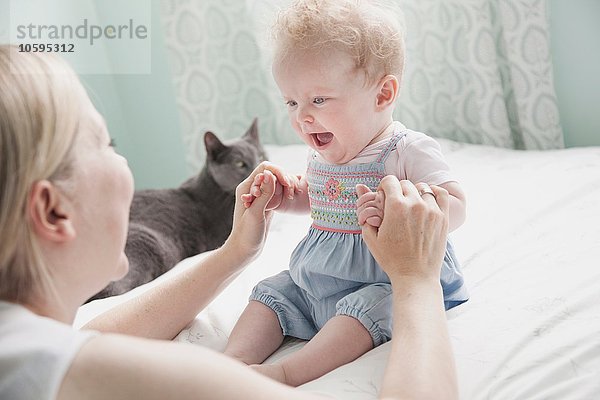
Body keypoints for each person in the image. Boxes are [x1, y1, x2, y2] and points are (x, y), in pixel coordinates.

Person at [0, 44, 457, 400]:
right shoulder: (110, 372)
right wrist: (415, 279)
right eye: (107, 144)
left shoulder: (24, 349)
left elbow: (89, 338)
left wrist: (237, 249)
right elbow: (95, 353)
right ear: (53, 211)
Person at [223, 0, 470, 387]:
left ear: (382, 94)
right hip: (319, 277)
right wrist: (287, 198)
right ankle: (231, 362)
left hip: (387, 276)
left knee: (365, 311)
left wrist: (399, 206)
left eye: (318, 100)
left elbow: (454, 204)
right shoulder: (322, 148)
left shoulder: (405, 149)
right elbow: (322, 200)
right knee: (274, 292)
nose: (302, 116)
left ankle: (287, 373)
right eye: (292, 101)